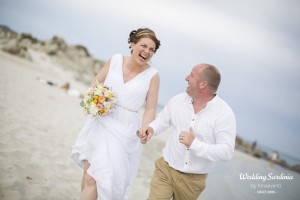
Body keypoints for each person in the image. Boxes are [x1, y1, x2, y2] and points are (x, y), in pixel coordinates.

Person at [71, 28, 161, 200]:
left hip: (124, 130)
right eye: (144, 46)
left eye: (152, 50)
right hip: (100, 119)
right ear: (133, 44)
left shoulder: (153, 75)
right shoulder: (115, 60)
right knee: (87, 173)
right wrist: (97, 97)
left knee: (94, 178)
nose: (147, 52)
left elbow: (150, 108)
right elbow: (96, 82)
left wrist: (145, 127)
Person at [138, 64, 236, 200]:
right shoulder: (178, 100)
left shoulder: (224, 114)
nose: (186, 78)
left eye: (191, 75)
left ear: (203, 84)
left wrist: (194, 144)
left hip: (193, 182)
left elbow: (226, 152)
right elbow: (162, 120)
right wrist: (151, 129)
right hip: (166, 169)